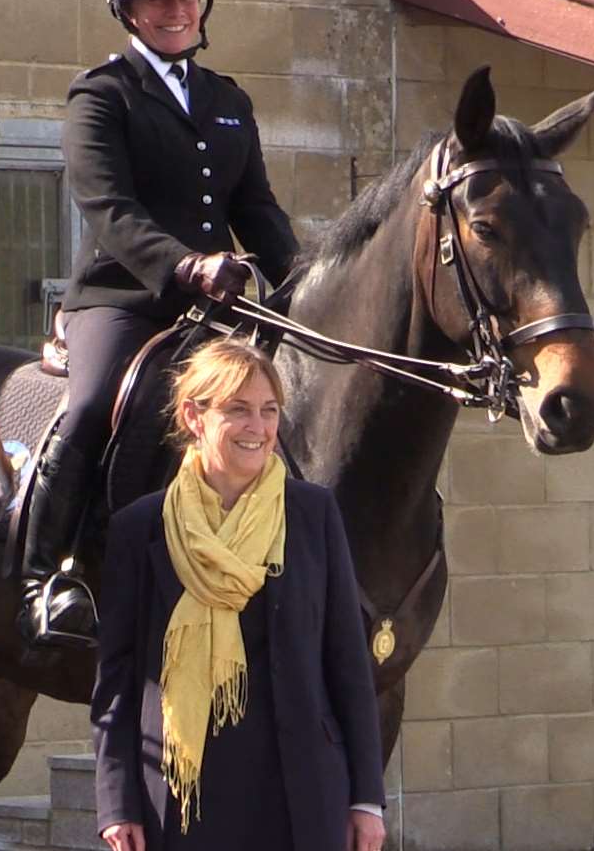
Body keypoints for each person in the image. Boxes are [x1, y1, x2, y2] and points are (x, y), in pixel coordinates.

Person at [17, 0, 301, 648]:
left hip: (220, 303)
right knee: (88, 407)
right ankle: (48, 575)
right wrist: (187, 265)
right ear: (130, 13)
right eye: (159, 1)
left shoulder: (228, 98)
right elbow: (108, 209)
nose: (176, 11)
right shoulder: (103, 96)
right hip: (124, 298)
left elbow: (257, 208)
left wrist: (298, 281)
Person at [91, 339, 384, 851]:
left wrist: (367, 798)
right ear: (193, 416)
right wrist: (117, 801)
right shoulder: (140, 528)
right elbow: (117, 678)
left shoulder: (312, 515)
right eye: (238, 410)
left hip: (302, 794)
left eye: (269, 411)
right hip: (182, 794)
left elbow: (347, 663)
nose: (259, 428)